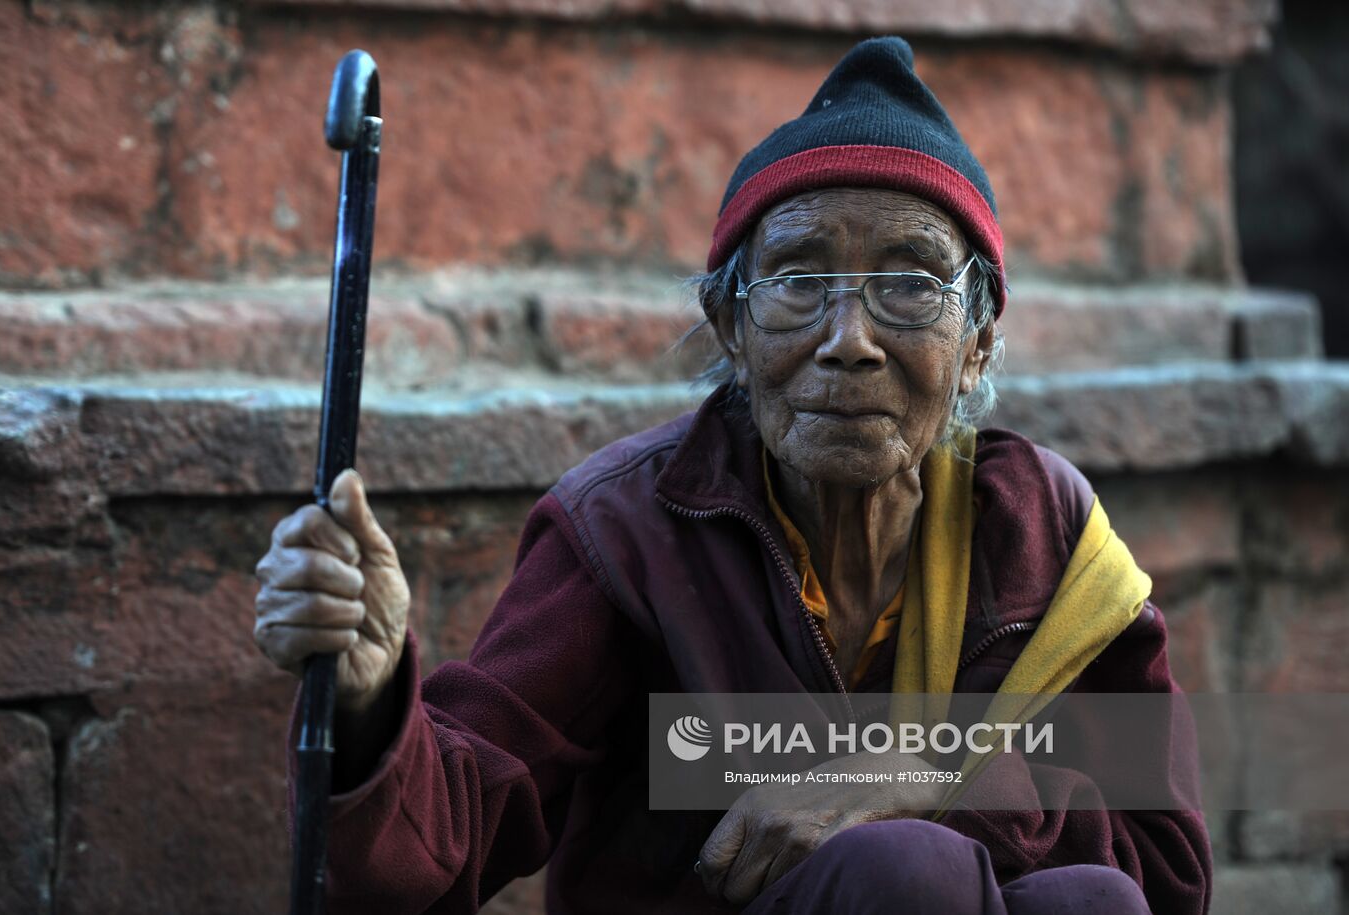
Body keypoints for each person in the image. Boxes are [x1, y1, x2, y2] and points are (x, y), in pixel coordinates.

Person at [253, 36, 1211, 914]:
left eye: (911, 284)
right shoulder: (629, 532)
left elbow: (1168, 870)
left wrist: (939, 775)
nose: (850, 342)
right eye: (799, 281)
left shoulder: (1040, 532)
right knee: (902, 874)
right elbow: (445, 839)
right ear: (733, 332)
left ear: (977, 344)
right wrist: (372, 699)